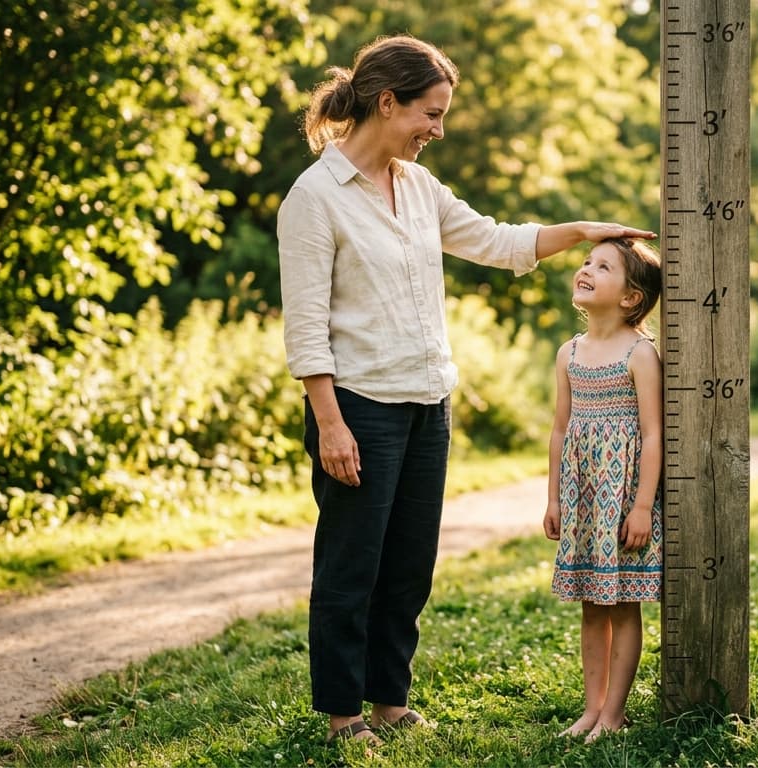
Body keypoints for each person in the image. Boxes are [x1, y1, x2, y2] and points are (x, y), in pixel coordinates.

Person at [276, 34, 656, 747]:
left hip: (428, 403)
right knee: (351, 566)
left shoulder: (417, 188)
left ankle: (390, 700)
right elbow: (307, 329)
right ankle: (342, 714)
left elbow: (497, 241)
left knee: (409, 565)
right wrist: (330, 423)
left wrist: (583, 232)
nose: (438, 131)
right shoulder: (315, 198)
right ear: (386, 103)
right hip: (359, 406)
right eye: (431, 113)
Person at [542, 238, 664, 743]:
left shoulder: (640, 354)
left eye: (603, 266)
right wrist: (553, 499)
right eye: (587, 261)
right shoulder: (569, 352)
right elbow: (559, 429)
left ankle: (615, 711)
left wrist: (641, 507)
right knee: (592, 605)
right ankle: (592, 710)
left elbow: (654, 433)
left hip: (623, 498)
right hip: (582, 499)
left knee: (622, 603)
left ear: (631, 296)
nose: (586, 268)